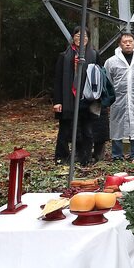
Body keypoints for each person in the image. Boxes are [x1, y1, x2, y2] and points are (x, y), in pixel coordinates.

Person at [51, 27, 94, 166]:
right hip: (68, 98)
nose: (81, 38)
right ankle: (62, 156)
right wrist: (57, 101)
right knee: (65, 129)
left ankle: (84, 157)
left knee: (86, 129)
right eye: (78, 35)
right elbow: (57, 79)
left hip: (86, 98)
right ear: (73, 37)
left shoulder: (93, 55)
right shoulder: (64, 56)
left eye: (85, 36)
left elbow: (99, 76)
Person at [104, 31, 134, 161]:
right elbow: (108, 79)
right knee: (117, 124)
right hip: (118, 98)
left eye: (130, 41)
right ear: (120, 44)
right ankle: (117, 155)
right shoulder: (111, 61)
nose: (128, 44)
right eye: (125, 42)